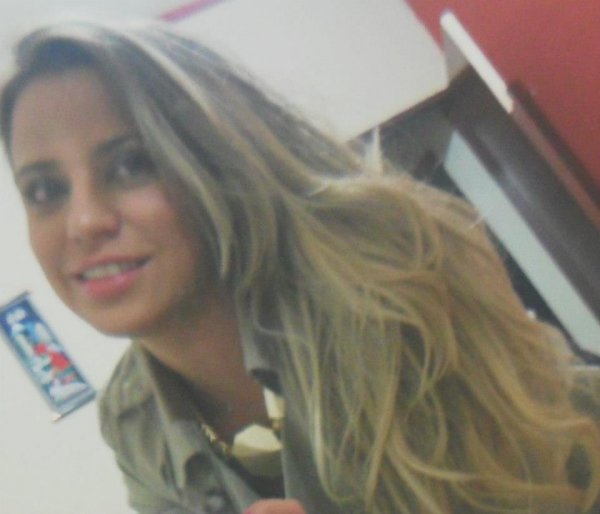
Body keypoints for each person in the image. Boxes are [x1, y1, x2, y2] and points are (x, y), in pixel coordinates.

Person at [1, 19, 599, 514]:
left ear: (212, 157)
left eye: (132, 164)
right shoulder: (132, 417)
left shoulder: (391, 273)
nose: (84, 221)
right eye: (45, 190)